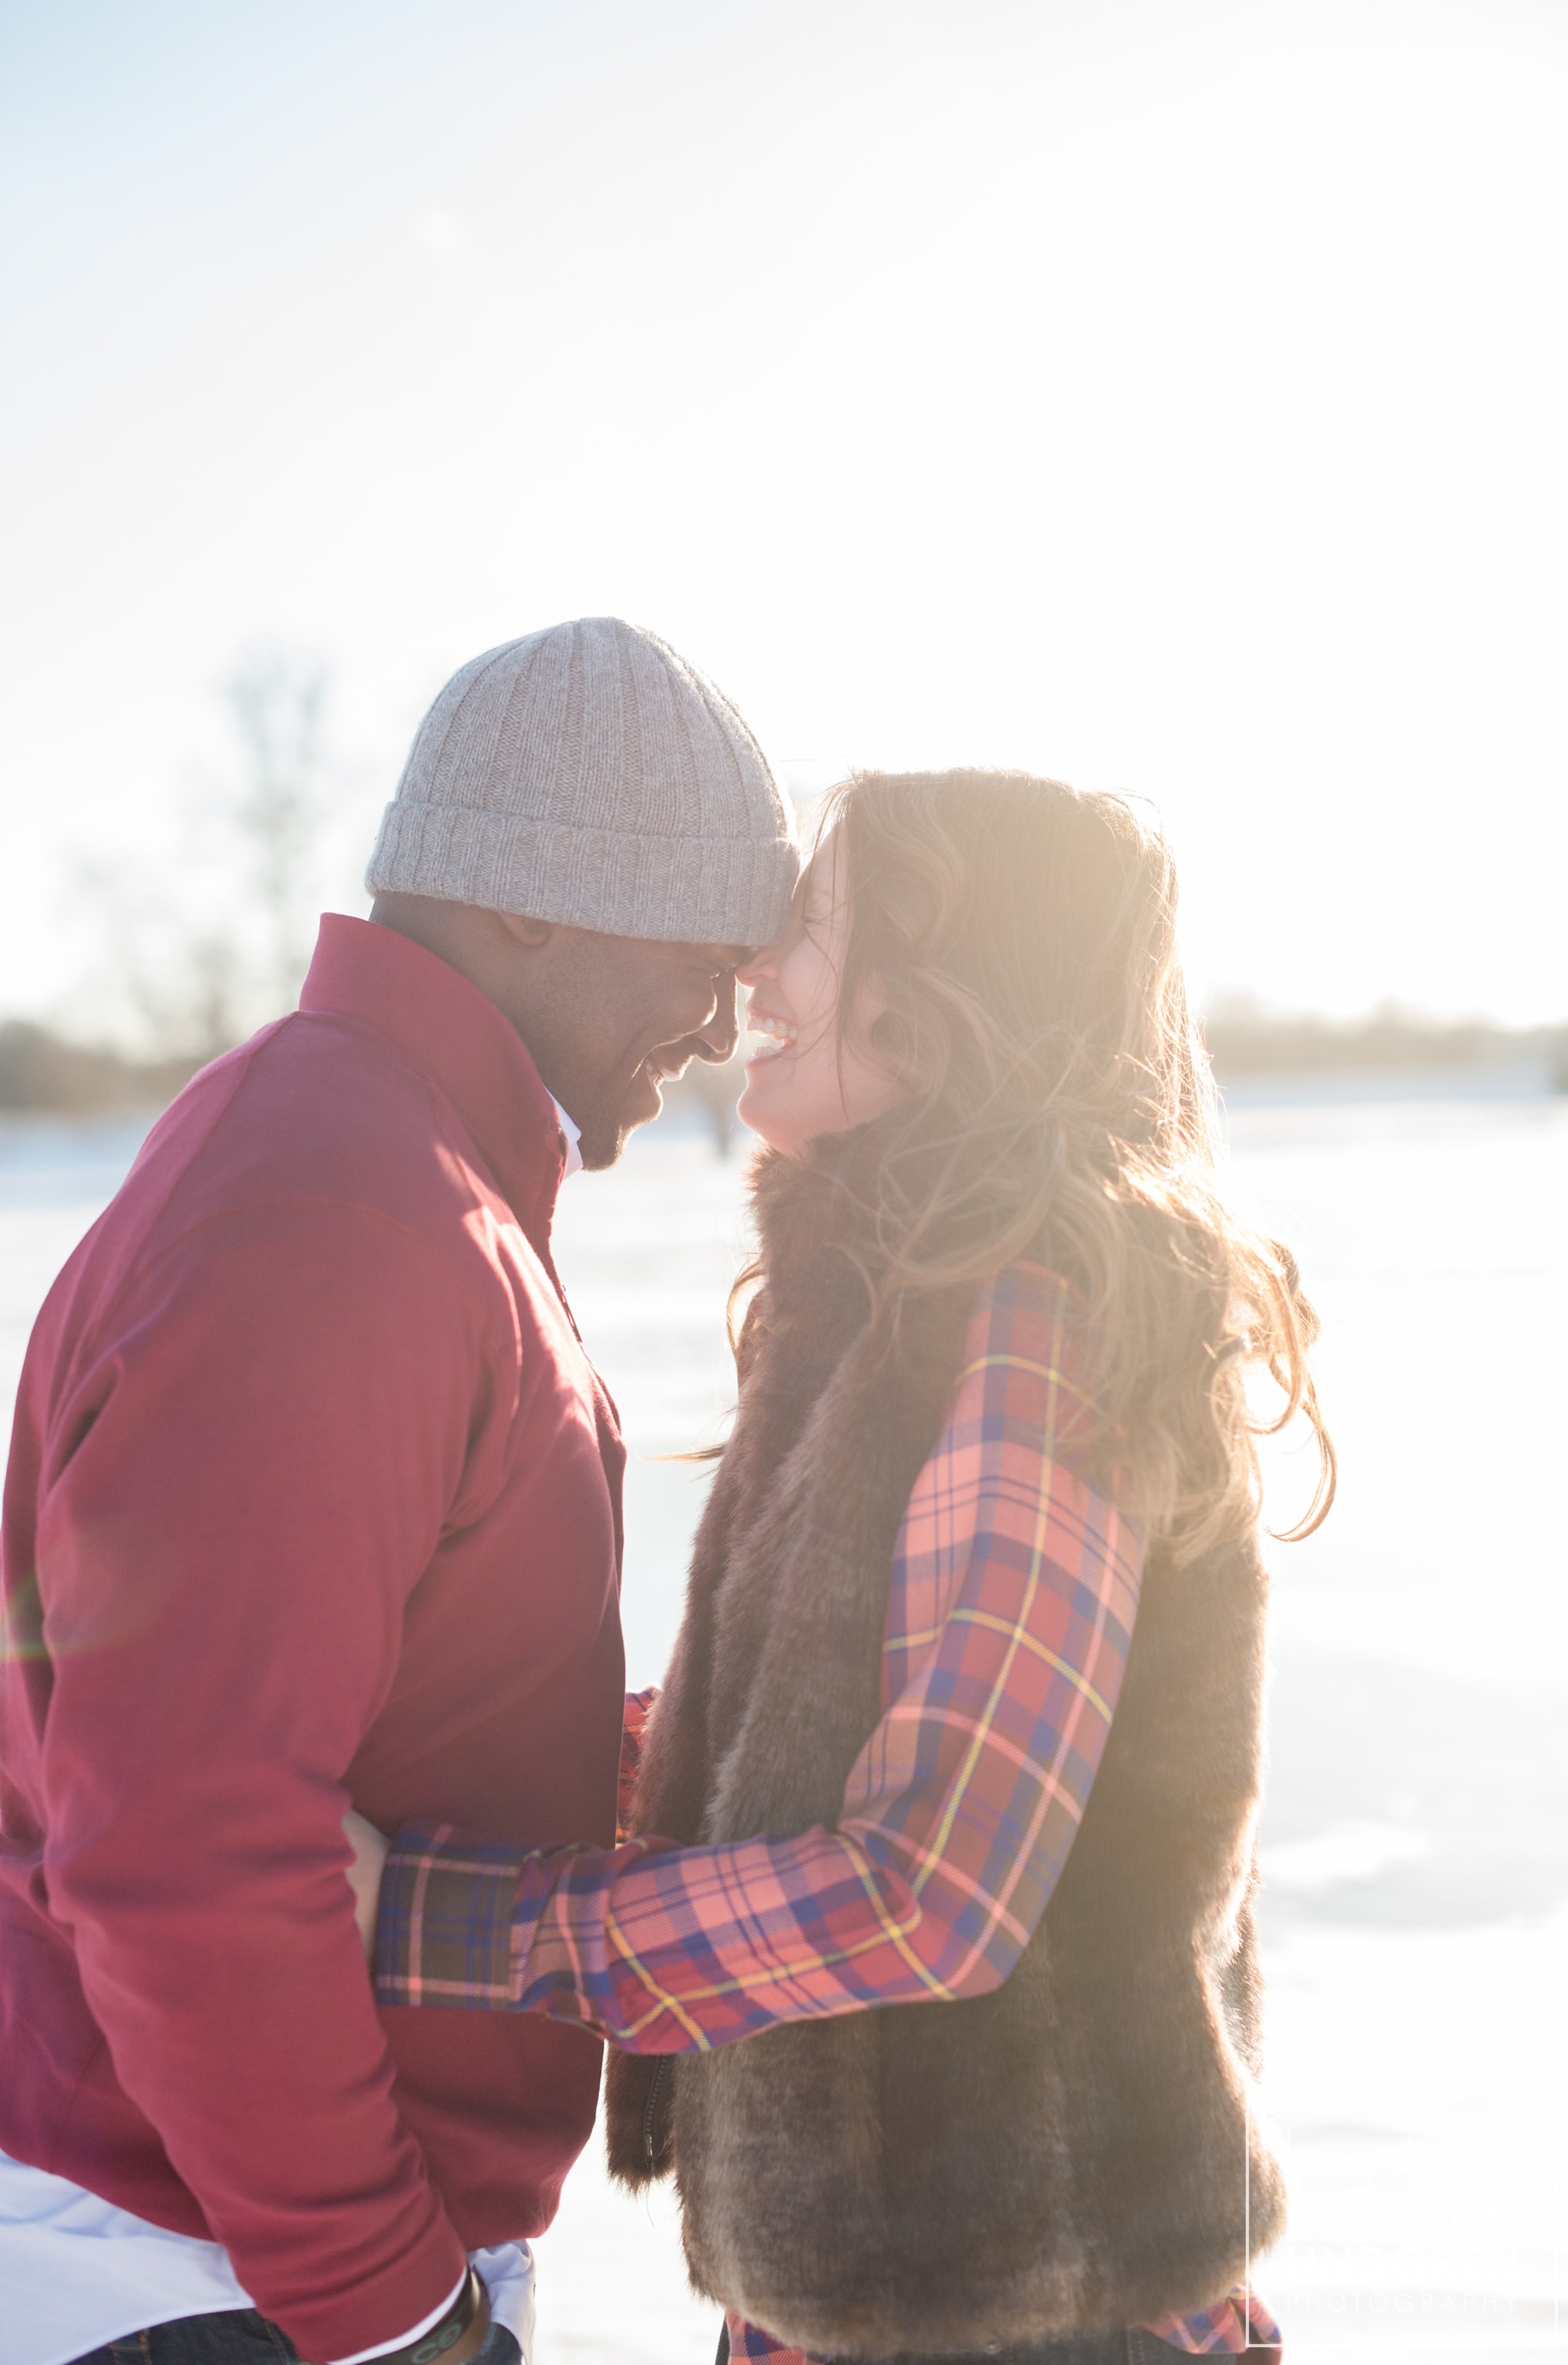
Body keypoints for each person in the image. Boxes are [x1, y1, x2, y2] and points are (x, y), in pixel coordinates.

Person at [354, 768, 1334, 2364]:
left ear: (942, 1003)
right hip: (891, 2304)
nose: (756, 970)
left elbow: (931, 1889)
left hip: (1029, 2317)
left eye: (810, 923)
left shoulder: (1041, 1333)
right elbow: (810, 1736)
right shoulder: (893, 1304)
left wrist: (454, 1918)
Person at [0, 618, 799, 2365]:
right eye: (706, 942)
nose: (730, 1019)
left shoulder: (390, 1162)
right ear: (528, 899)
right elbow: (177, 1830)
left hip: (259, 2266)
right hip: (219, 2283)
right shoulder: (344, 1214)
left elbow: (389, 1701)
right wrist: (391, 2312)